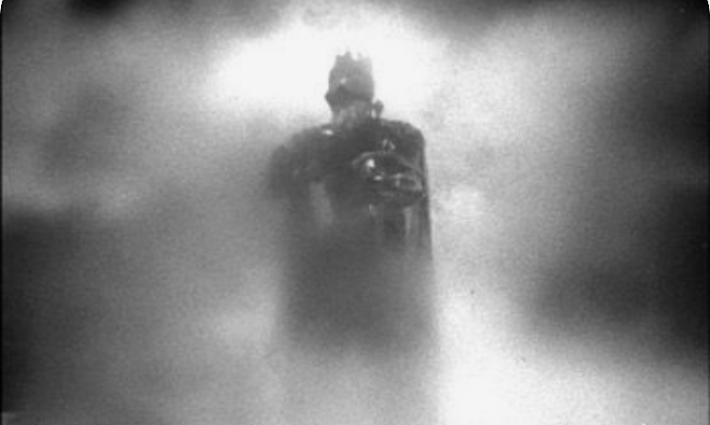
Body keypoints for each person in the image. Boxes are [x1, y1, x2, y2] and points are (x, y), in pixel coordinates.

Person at [268, 52, 435, 424]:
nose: (347, 106)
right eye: (342, 99)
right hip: (336, 268)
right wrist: (310, 168)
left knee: (391, 378)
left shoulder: (400, 136)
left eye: (353, 97)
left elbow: (412, 188)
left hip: (385, 271)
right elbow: (276, 180)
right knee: (330, 372)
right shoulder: (310, 142)